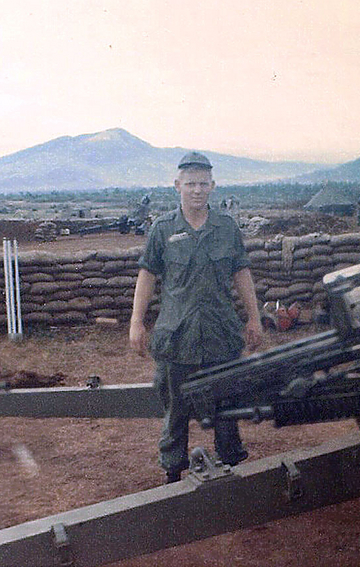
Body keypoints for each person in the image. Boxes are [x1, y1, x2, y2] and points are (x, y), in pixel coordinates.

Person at [129, 151, 263, 484]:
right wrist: (136, 323)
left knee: (226, 404)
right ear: (177, 186)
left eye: (203, 184)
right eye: (190, 184)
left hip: (220, 332)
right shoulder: (163, 229)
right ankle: (172, 471)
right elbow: (147, 275)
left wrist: (254, 318)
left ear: (213, 186)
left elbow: (241, 273)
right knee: (175, 408)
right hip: (177, 335)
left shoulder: (226, 228)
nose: (197, 190)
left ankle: (231, 463)